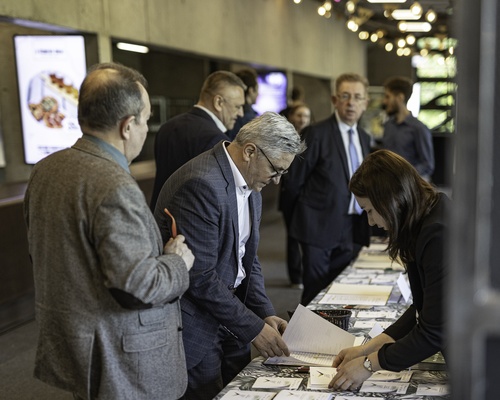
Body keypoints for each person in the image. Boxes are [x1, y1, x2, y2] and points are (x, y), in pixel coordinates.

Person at [23, 62, 195, 400]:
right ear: (128, 125)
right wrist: (177, 261)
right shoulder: (114, 185)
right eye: (145, 121)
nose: (146, 129)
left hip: (77, 345)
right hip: (123, 359)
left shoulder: (45, 170)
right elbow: (140, 285)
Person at [153, 112, 306, 400]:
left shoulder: (251, 183)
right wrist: (253, 327)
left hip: (232, 314)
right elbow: (198, 278)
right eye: (276, 170)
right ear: (250, 151)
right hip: (196, 321)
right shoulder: (201, 184)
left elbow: (247, 259)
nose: (276, 181)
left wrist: (265, 313)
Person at [329, 149, 449, 392]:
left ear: (391, 199)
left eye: (370, 210)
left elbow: (434, 331)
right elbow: (423, 308)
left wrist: (369, 364)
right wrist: (368, 348)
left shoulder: (437, 233)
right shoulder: (425, 217)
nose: (371, 222)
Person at [284, 73, 372, 305]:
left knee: (340, 291)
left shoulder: (364, 137)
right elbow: (293, 182)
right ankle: (303, 339)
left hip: (352, 227)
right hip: (317, 228)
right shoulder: (316, 133)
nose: (351, 102)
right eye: (345, 96)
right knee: (315, 292)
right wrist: (298, 222)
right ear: (335, 100)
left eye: (357, 97)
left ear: (365, 102)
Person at [150, 70, 246, 209]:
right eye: (238, 106)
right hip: (190, 224)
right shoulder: (216, 140)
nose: (241, 113)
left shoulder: (167, 127)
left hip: (159, 219)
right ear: (218, 102)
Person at [278, 102, 312, 289]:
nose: (303, 119)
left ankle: (305, 272)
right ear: (291, 117)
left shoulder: (313, 138)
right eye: (299, 115)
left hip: (306, 197)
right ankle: (295, 276)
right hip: (290, 196)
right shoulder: (283, 139)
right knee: (292, 236)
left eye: (306, 116)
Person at [382, 76, 435, 181]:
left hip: (409, 189)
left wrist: (404, 177)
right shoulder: (388, 126)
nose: (384, 101)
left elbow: (427, 165)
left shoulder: (419, 128)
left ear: (400, 98)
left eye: (388, 97)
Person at [225, 68, 259, 140]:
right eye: (257, 89)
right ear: (251, 90)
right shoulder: (250, 119)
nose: (258, 94)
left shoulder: (227, 112)